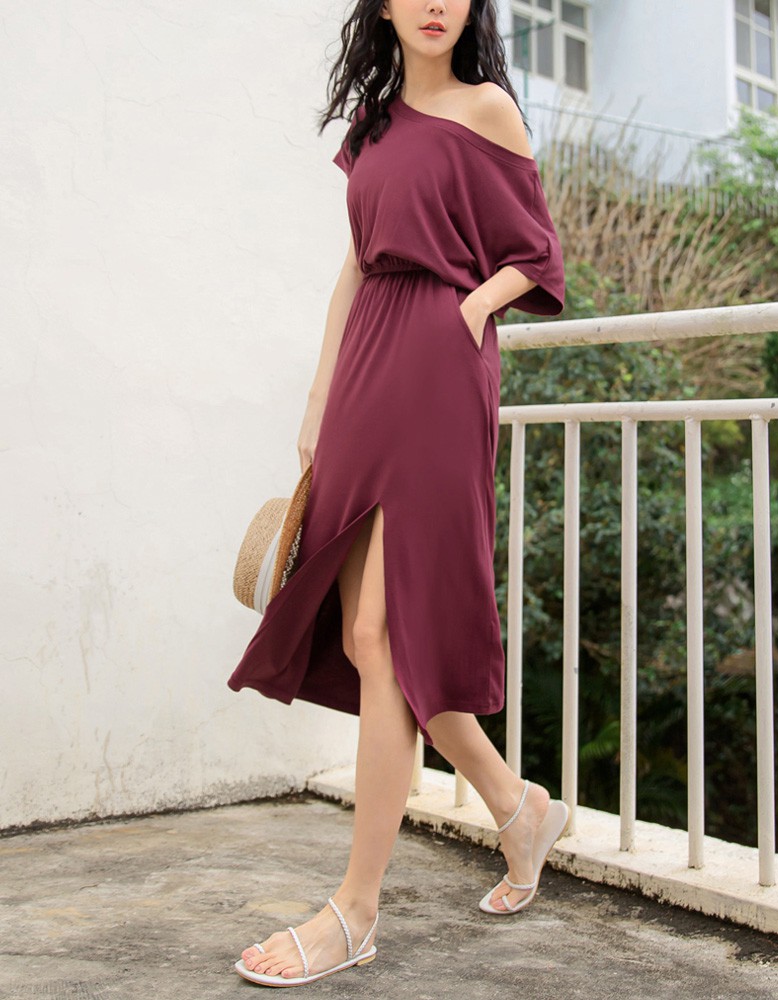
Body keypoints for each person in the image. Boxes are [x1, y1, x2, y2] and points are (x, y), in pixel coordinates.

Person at [228, 0, 567, 988]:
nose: (434, 3)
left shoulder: (489, 109)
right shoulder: (372, 124)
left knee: (383, 629)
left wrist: (471, 307)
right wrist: (318, 395)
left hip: (438, 371)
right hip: (367, 372)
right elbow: (353, 265)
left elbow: (537, 254)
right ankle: (518, 808)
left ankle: (356, 908)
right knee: (372, 639)